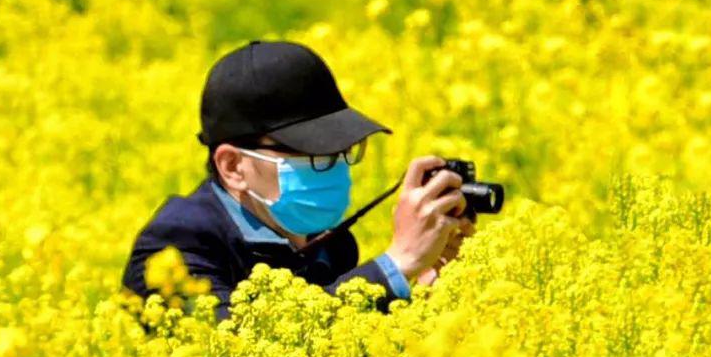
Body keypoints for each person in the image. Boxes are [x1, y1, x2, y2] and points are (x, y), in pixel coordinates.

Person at [121, 39, 475, 321]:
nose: (335, 168)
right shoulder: (176, 246)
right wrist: (396, 264)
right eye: (314, 155)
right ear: (233, 166)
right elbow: (232, 352)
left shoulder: (331, 245)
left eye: (342, 152)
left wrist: (423, 295)